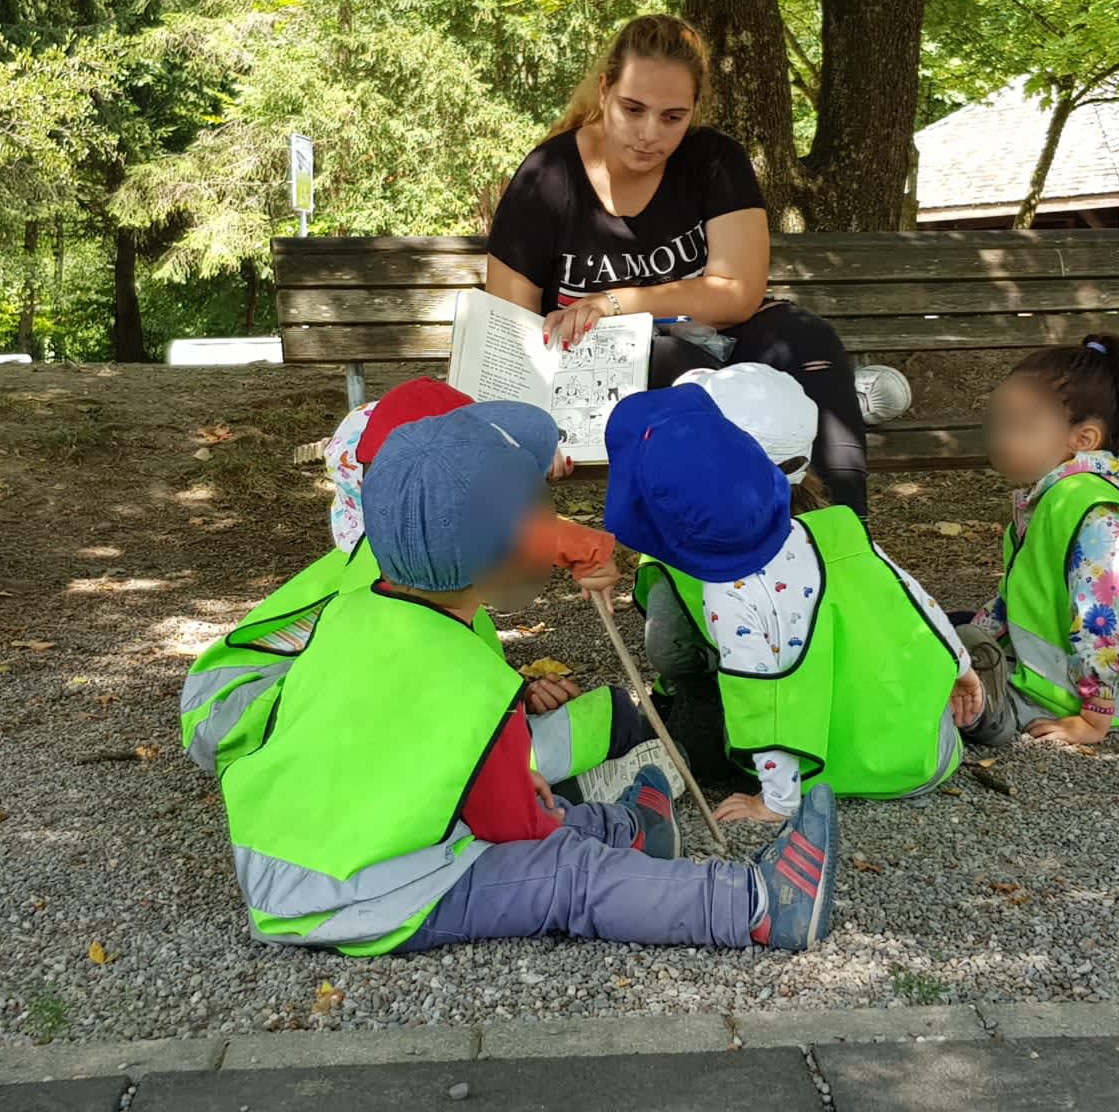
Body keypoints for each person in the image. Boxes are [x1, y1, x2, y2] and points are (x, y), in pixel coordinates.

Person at [205, 400, 841, 955]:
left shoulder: (353, 607)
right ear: (502, 557)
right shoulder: (471, 676)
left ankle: (633, 830)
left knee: (541, 804)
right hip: (357, 895)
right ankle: (756, 905)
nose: (550, 527)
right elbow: (513, 829)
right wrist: (523, 797)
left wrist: (509, 779)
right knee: (567, 872)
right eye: (539, 514)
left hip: (298, 853)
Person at [483, 12, 906, 518]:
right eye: (632, 109)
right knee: (682, 373)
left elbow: (737, 294)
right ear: (603, 91)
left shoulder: (714, 161)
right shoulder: (549, 176)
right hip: (606, 366)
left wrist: (615, 302)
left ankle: (843, 544)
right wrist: (530, 420)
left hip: (721, 334)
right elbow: (509, 326)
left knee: (808, 341)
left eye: (672, 117)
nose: (648, 134)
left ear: (694, 111)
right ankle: (738, 557)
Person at [183, 377, 656, 798]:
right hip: (249, 720)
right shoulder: (391, 588)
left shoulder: (408, 552)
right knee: (607, 718)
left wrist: (520, 695)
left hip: (253, 707)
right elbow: (431, 695)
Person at [607, 380, 979, 824]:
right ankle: (987, 688)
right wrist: (962, 666)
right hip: (927, 754)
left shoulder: (728, 593)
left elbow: (763, 700)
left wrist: (776, 802)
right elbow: (917, 601)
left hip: (830, 771)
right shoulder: (839, 530)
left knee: (705, 737)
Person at [959, 334, 1119, 747]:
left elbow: (1115, 619)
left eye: (1021, 427)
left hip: (1113, 698)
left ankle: (994, 710)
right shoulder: (1048, 499)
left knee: (959, 706)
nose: (1001, 439)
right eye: (998, 424)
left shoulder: (1086, 507)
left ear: (1082, 440)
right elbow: (1019, 598)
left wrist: (1093, 720)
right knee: (944, 636)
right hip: (1065, 672)